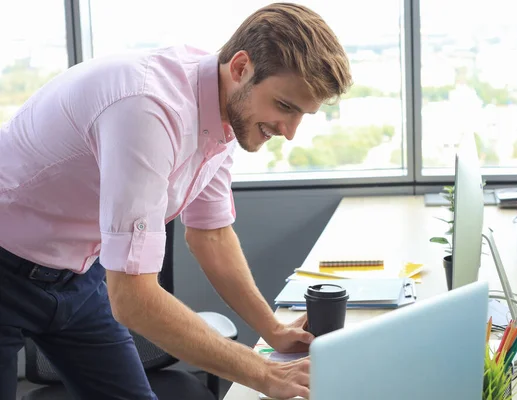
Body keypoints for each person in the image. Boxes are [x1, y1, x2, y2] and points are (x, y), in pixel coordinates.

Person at [0, 2, 352, 400]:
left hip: (76, 275)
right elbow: (132, 299)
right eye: (285, 107)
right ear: (240, 68)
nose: (289, 132)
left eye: (302, 114)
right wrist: (264, 373)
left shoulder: (223, 110)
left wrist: (274, 331)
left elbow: (211, 236)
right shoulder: (149, 109)